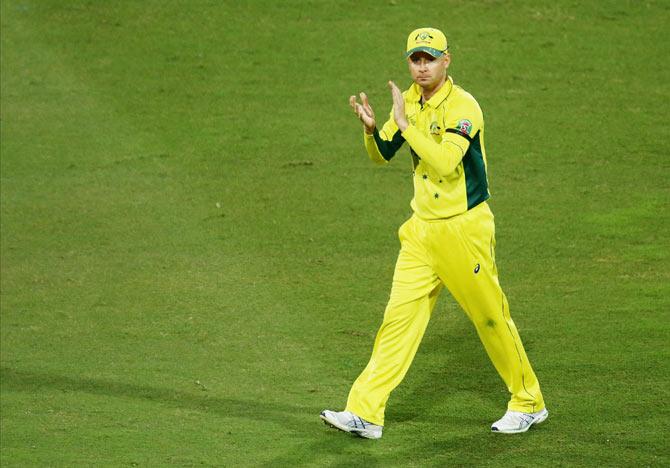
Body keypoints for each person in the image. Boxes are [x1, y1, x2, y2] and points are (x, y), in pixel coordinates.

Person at [320, 27, 547, 439]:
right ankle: (365, 412)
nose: (421, 67)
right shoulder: (406, 101)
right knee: (397, 321)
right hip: (421, 232)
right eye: (415, 59)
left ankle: (528, 402)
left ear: (447, 60)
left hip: (464, 229)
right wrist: (372, 129)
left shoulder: (464, 107)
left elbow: (445, 163)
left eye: (429, 59)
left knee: (491, 319)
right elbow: (382, 155)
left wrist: (407, 127)